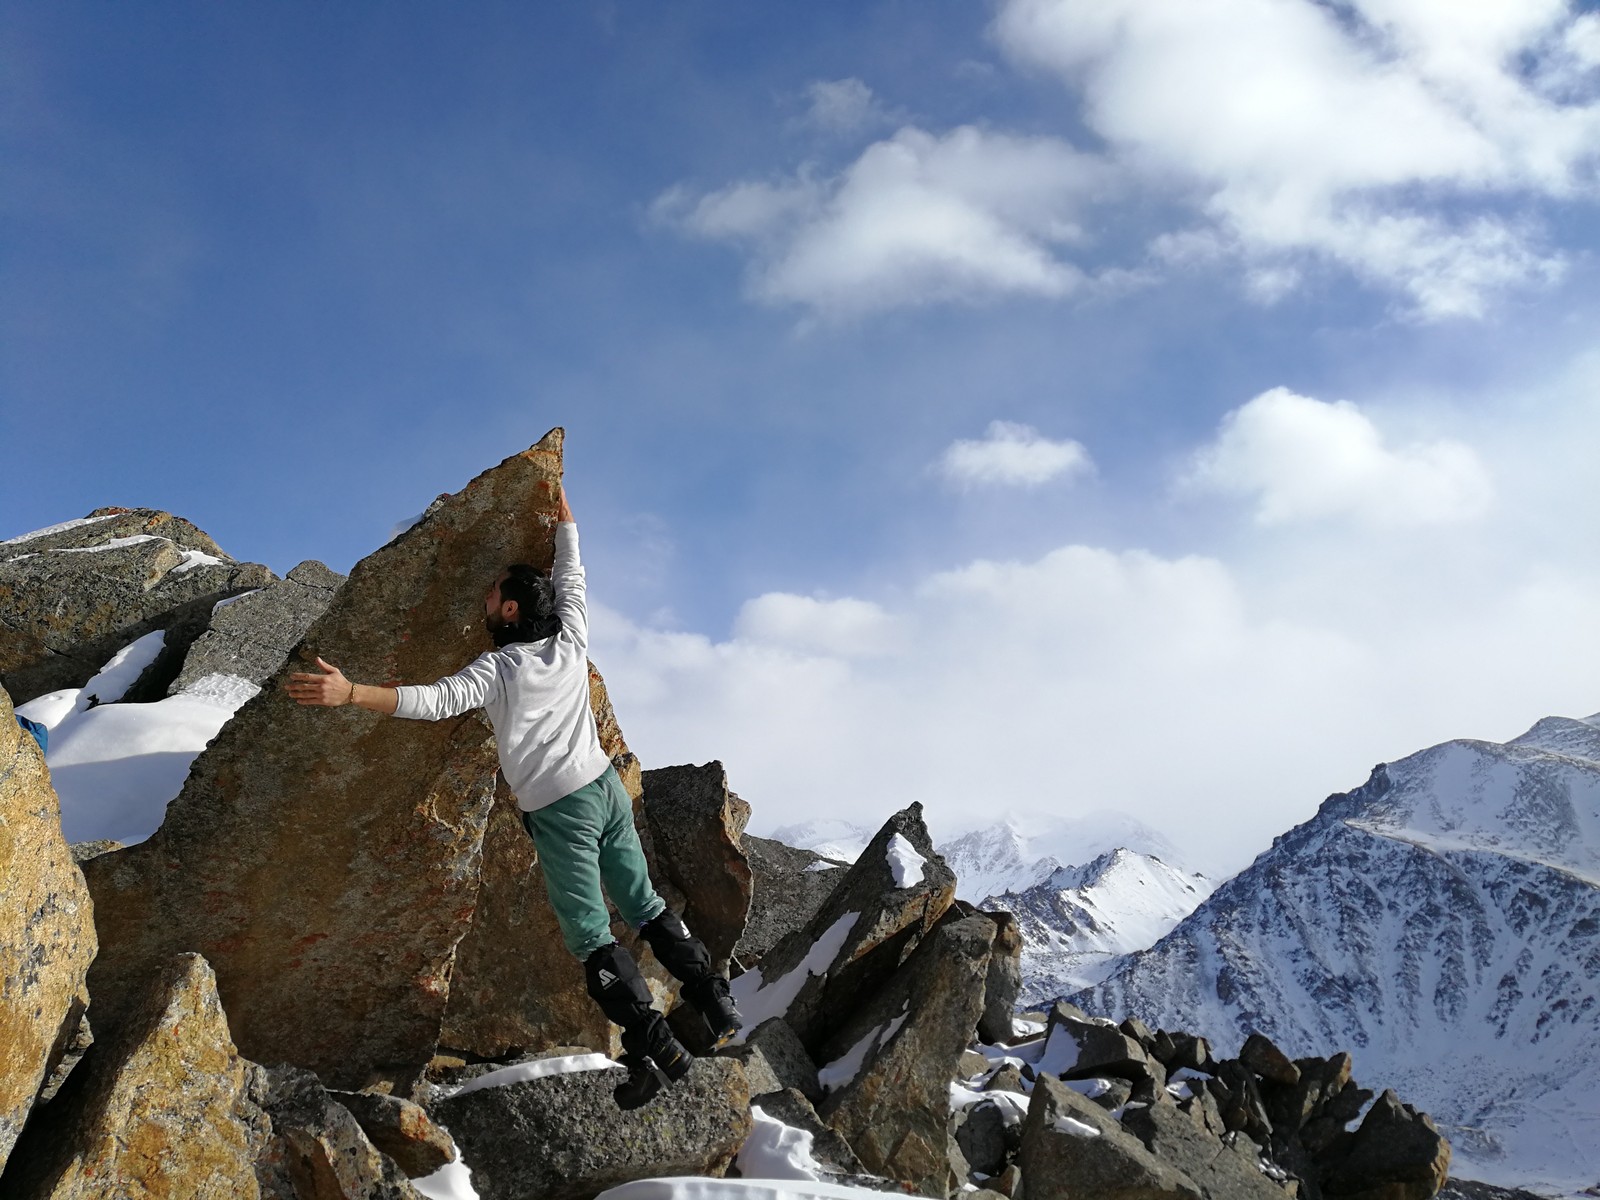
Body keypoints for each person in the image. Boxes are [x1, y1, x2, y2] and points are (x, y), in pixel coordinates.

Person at [287, 483, 740, 1109]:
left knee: (591, 938)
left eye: (491, 591)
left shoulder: (499, 671)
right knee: (643, 903)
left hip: (562, 813)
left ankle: (656, 1048)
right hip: (606, 788)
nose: (484, 596)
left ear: (508, 613)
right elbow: (574, 579)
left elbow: (434, 701)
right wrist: (566, 526)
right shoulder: (570, 642)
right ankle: (714, 1000)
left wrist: (351, 692)